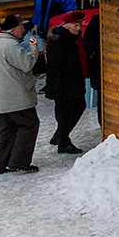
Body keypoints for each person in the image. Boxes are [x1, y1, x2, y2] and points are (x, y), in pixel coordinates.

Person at [0, 14, 42, 174]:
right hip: (18, 98)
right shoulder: (11, 46)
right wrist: (33, 48)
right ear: (12, 29)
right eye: (21, 26)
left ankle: (0, 164)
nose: (24, 29)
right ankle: (19, 161)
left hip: (1, 99)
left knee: (7, 129)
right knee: (29, 124)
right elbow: (26, 64)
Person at [43, 13, 87, 153]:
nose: (78, 28)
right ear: (67, 25)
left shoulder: (73, 37)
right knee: (67, 111)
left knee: (75, 108)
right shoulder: (60, 40)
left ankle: (61, 135)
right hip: (65, 83)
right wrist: (57, 87)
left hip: (73, 81)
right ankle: (63, 139)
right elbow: (56, 66)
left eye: (80, 25)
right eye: (76, 25)